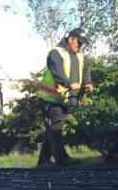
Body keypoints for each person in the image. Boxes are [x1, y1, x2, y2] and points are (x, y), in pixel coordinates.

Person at [36, 28, 94, 167]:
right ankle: (62, 160)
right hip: (51, 98)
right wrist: (69, 84)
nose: (80, 46)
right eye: (79, 42)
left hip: (66, 98)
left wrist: (88, 83)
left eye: (82, 44)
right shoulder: (56, 53)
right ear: (71, 38)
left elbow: (85, 71)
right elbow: (58, 74)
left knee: (54, 128)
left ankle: (43, 162)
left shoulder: (80, 55)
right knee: (56, 128)